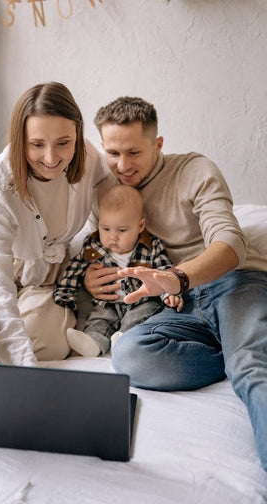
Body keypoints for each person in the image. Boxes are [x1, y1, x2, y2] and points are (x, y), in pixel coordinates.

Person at [84, 96, 267, 471]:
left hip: (232, 282)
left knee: (249, 367)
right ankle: (237, 349)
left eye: (134, 152)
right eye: (113, 153)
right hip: (177, 305)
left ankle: (245, 355)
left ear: (158, 144)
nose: (122, 165)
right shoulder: (106, 190)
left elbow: (231, 245)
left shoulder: (195, 170)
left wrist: (177, 277)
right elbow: (96, 245)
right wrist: (89, 272)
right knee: (131, 354)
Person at [0, 82, 114, 367]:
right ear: (20, 139)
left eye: (63, 142)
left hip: (47, 270)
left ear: (77, 134)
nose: (51, 158)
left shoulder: (88, 158)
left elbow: (111, 207)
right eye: (37, 144)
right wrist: (26, 371)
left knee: (47, 343)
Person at [54, 184, 182, 356]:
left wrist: (169, 294)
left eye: (122, 230)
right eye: (105, 229)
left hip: (141, 301)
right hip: (109, 302)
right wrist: (65, 294)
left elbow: (164, 272)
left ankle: (124, 339)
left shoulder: (151, 247)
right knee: (99, 318)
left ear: (140, 226)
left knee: (141, 316)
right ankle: (93, 342)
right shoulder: (94, 246)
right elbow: (75, 269)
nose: (112, 236)